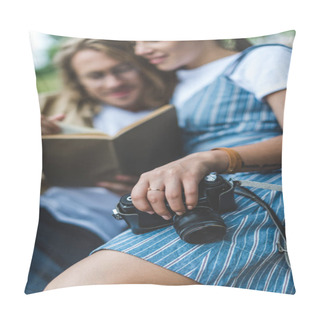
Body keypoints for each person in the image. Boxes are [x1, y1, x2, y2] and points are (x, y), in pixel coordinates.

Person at [44, 39, 295, 294]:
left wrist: (208, 159)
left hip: (256, 192)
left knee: (74, 290)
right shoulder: (173, 84)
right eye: (136, 42)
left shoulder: (263, 58)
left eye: (151, 37)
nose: (141, 50)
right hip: (199, 202)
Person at [25, 38, 176, 294]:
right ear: (78, 81)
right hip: (43, 209)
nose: (114, 83)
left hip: (98, 229)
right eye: (96, 76)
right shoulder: (47, 106)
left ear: (143, 65)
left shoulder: (176, 113)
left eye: (122, 69)